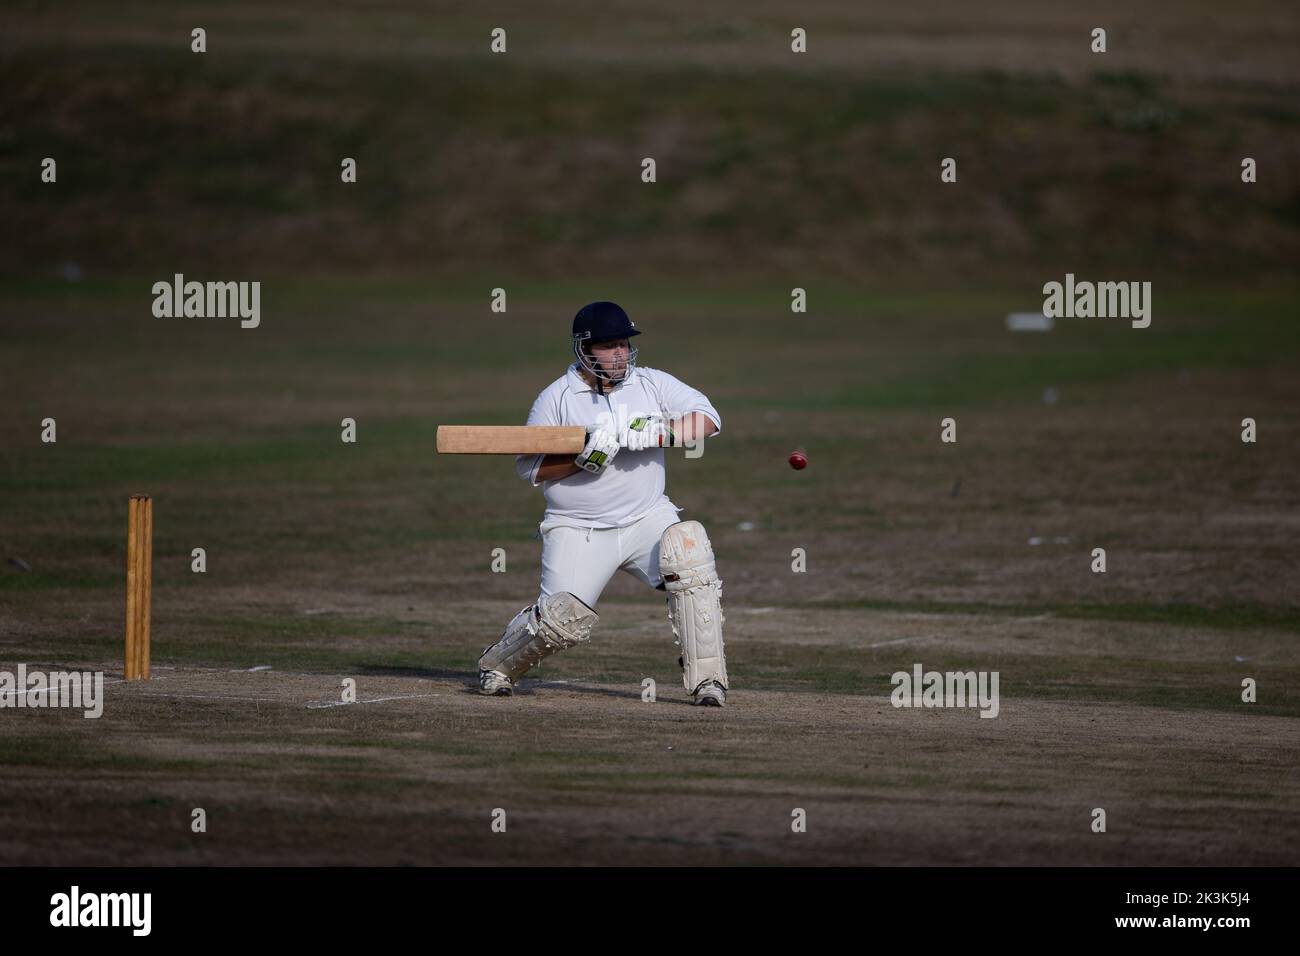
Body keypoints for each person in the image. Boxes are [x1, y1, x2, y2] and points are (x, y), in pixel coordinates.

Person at [476, 301, 730, 706]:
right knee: (559, 622)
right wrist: (581, 461)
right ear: (585, 349)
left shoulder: (651, 384)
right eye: (610, 346)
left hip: (647, 516)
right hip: (579, 526)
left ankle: (708, 682)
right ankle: (498, 666)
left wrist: (658, 433)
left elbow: (708, 418)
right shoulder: (556, 398)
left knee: (690, 556)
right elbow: (531, 469)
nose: (621, 355)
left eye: (625, 345)